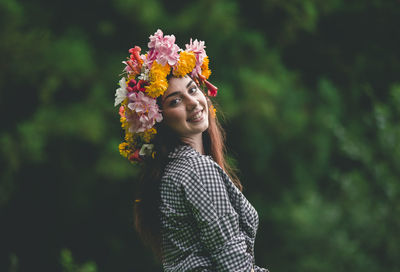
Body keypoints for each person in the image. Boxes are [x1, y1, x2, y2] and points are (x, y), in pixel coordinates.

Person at [115, 29, 269, 271]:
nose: (192, 102)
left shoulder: (171, 170)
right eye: (175, 101)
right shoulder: (196, 170)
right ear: (157, 117)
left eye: (193, 89)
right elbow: (235, 265)